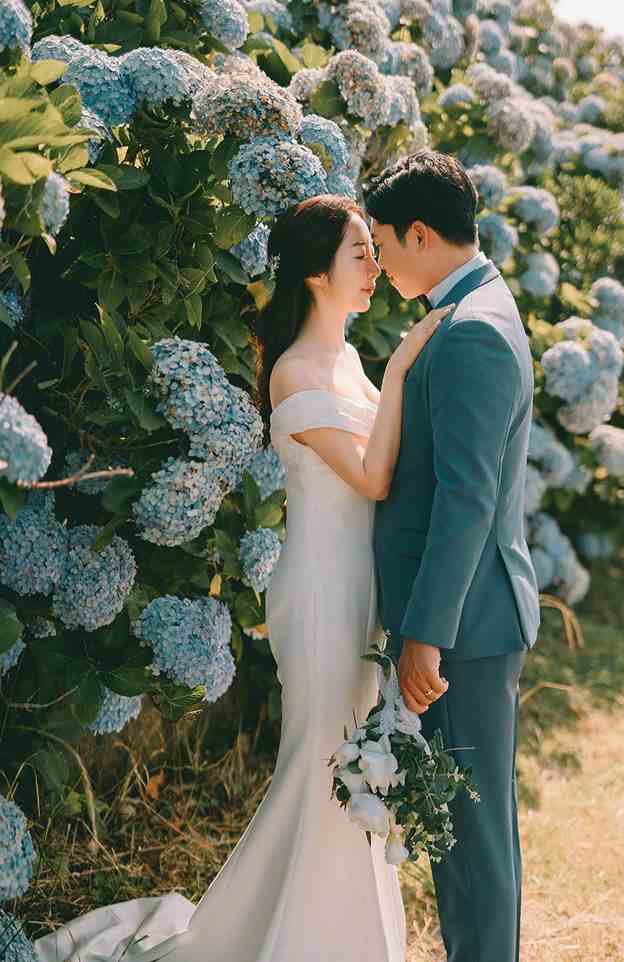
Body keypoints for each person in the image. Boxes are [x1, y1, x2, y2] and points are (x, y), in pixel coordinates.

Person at [33, 193, 448, 962]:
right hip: (321, 593)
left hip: (362, 591)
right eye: (359, 252)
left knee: (356, 760)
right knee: (322, 760)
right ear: (318, 274)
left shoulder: (349, 360)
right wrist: (404, 371)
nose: (373, 266)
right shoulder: (294, 370)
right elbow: (371, 476)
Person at [363, 149, 541, 962]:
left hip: (466, 625)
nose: (378, 258)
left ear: (421, 232)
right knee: (460, 827)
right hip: (467, 616)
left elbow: (466, 497)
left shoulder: (471, 332)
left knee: (474, 835)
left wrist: (425, 632)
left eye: (383, 241)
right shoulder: (472, 306)